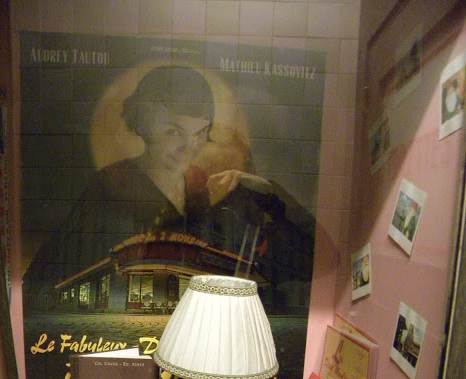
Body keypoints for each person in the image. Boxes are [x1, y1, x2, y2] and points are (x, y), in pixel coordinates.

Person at [22, 64, 315, 312]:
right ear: (142, 124)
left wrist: (268, 193)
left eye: (200, 132)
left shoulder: (210, 191)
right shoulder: (111, 187)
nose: (189, 147)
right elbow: (42, 282)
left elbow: (303, 265)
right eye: (173, 131)